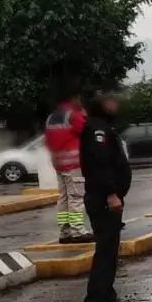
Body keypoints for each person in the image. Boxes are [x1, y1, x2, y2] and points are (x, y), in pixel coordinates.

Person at [80, 90, 134, 302]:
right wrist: (111, 193)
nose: (115, 104)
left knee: (111, 251)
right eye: (109, 101)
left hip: (109, 198)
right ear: (99, 105)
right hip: (103, 198)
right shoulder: (96, 129)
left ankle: (107, 296)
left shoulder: (104, 126)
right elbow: (99, 164)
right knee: (104, 252)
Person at [45, 87, 94, 244]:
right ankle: (78, 231)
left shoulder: (52, 117)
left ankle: (64, 232)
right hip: (73, 164)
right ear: (73, 99)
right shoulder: (74, 114)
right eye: (79, 98)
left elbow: (48, 140)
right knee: (76, 198)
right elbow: (87, 132)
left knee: (63, 199)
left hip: (58, 164)